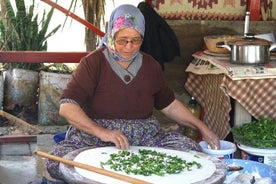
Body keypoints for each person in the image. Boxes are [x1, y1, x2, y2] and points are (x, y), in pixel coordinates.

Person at [46, 4, 220, 180]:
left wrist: (202, 127)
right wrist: (102, 132)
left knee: (190, 151)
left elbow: (169, 105)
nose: (129, 47)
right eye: (122, 40)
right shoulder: (93, 63)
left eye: (135, 40)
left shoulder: (151, 65)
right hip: (97, 138)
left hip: (144, 137)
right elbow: (67, 107)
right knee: (58, 160)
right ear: (112, 34)